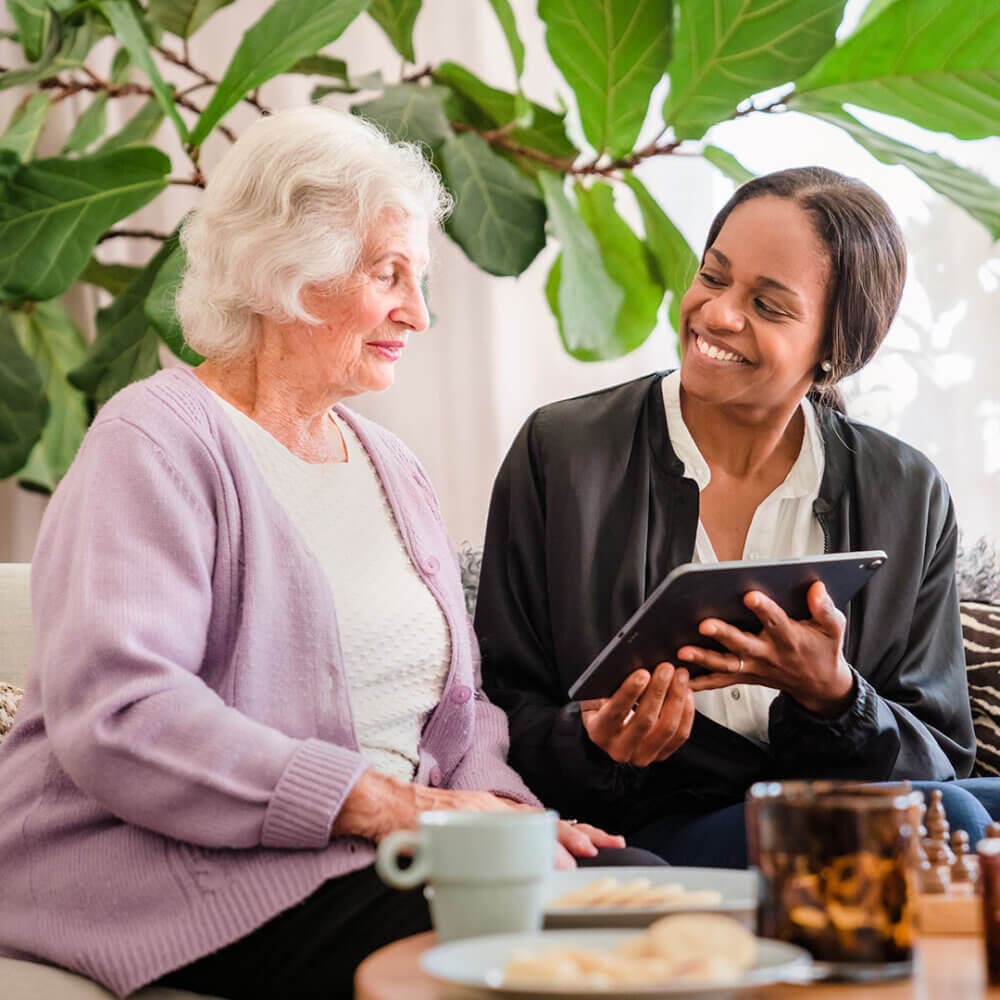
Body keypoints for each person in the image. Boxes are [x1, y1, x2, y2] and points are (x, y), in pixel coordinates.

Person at [0, 107, 640, 1000]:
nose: (418, 312)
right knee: (531, 946)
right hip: (176, 867)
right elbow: (125, 712)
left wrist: (505, 819)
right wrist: (395, 809)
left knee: (656, 901)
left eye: (418, 278)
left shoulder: (390, 464)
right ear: (288, 273)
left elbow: (461, 715)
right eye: (390, 275)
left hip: (383, 851)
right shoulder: (153, 441)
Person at [475, 166, 1000, 869]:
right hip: (651, 821)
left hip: (850, 800)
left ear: (834, 351)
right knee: (955, 817)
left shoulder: (905, 491)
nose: (718, 314)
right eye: (714, 277)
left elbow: (941, 755)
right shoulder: (563, 454)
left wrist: (834, 696)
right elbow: (497, 707)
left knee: (961, 805)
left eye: (768, 305)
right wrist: (595, 739)